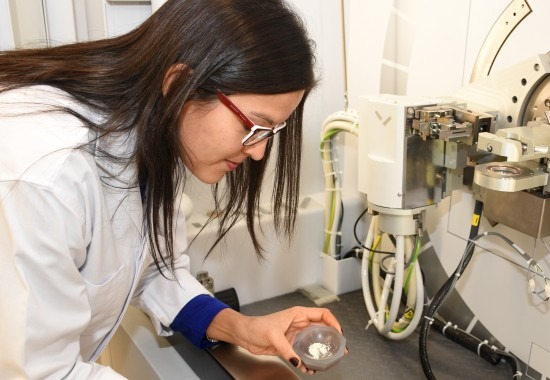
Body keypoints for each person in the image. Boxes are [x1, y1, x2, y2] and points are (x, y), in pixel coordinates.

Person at [0, 0, 346, 378]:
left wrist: (243, 329)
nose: (260, 151)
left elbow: (154, 272)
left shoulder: (156, 133)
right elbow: (40, 372)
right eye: (254, 126)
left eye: (271, 133)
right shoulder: (47, 177)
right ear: (180, 84)